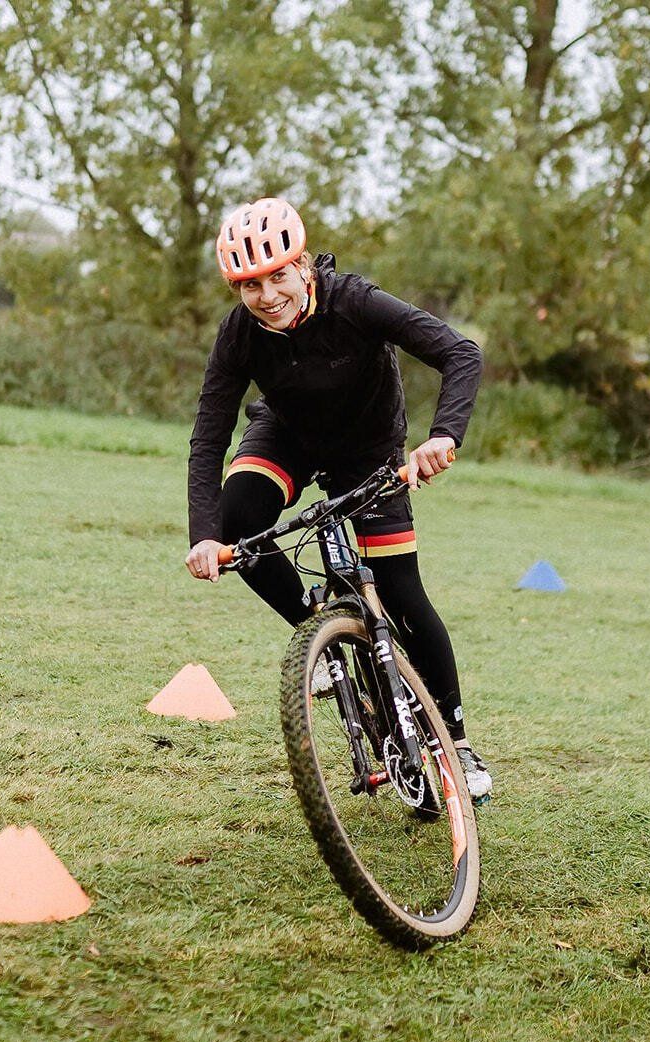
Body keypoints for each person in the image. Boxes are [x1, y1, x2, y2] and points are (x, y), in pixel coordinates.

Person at [182, 196, 492, 801]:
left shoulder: (354, 301)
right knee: (238, 514)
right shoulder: (240, 334)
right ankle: (317, 633)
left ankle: (455, 743)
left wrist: (443, 436)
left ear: (301, 265)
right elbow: (209, 434)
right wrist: (203, 534)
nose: (267, 294)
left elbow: (462, 352)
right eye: (249, 285)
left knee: (402, 593)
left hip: (369, 448)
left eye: (278, 276)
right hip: (287, 437)